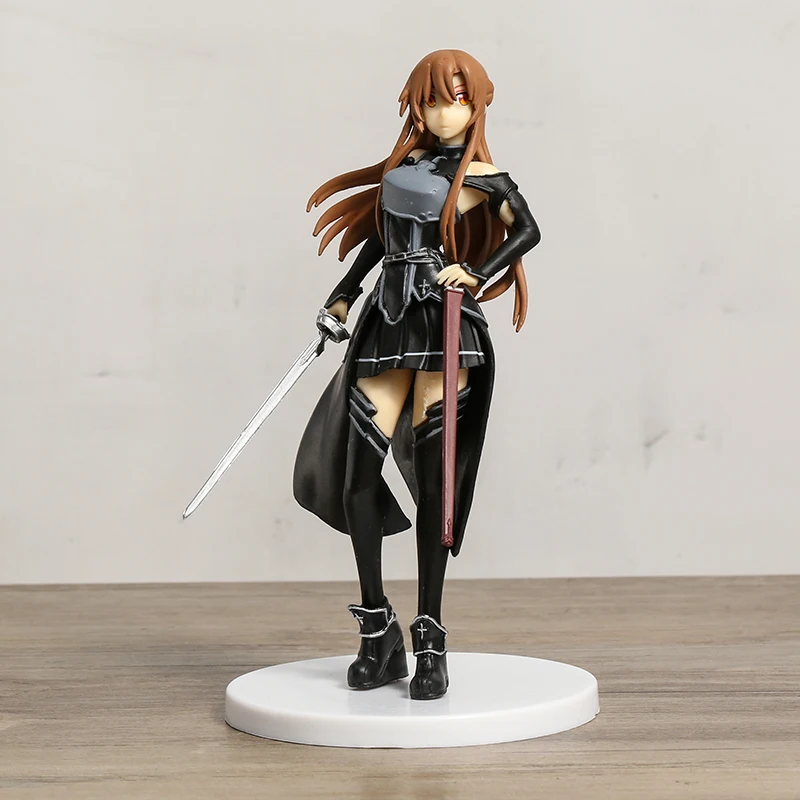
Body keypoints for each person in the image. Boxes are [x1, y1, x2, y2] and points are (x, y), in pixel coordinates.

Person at [293, 49, 540, 700]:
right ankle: (378, 631)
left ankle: (430, 637)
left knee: (435, 485)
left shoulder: (481, 176)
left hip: (443, 325)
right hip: (385, 322)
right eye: (431, 100)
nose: (443, 112)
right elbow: (380, 240)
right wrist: (343, 295)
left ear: (477, 104)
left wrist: (477, 271)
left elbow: (527, 230)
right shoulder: (402, 171)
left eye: (456, 99)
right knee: (357, 477)